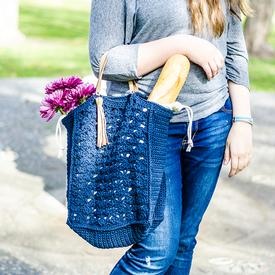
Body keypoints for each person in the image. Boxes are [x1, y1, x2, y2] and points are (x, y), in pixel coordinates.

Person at [89, 0, 254, 274]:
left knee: (183, 243)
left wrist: (243, 121)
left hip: (212, 121)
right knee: (155, 252)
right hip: (147, 126)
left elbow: (234, 49)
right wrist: (181, 45)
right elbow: (104, 61)